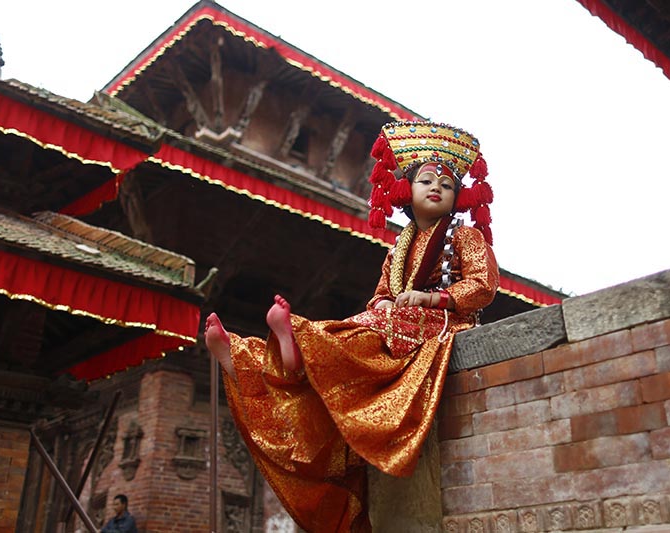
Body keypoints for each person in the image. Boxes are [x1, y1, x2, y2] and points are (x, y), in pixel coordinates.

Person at [205, 121, 499, 532]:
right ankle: (254, 358)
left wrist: (430, 298)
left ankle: (292, 354)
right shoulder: (399, 246)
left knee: (368, 329)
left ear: (458, 197)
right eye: (427, 181)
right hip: (394, 322)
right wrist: (387, 305)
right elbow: (381, 294)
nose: (437, 189)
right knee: (354, 328)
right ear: (406, 192)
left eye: (447, 186)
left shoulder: (464, 238)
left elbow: (483, 287)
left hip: (446, 321)